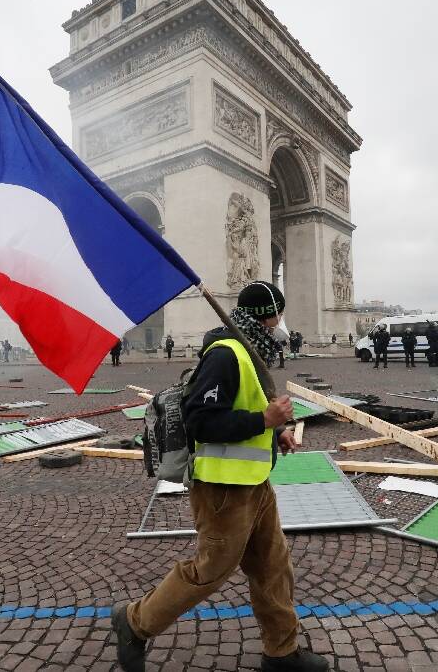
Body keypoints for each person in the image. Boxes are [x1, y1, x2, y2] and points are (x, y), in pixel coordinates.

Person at [112, 280, 327, 672]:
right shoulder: (226, 354)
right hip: (223, 490)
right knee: (208, 572)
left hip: (255, 483)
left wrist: (275, 431)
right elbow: (201, 421)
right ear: (267, 315)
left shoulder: (250, 350)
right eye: (278, 314)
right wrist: (265, 420)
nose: (281, 322)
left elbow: (244, 405)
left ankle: (281, 652)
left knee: (273, 566)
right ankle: (133, 622)